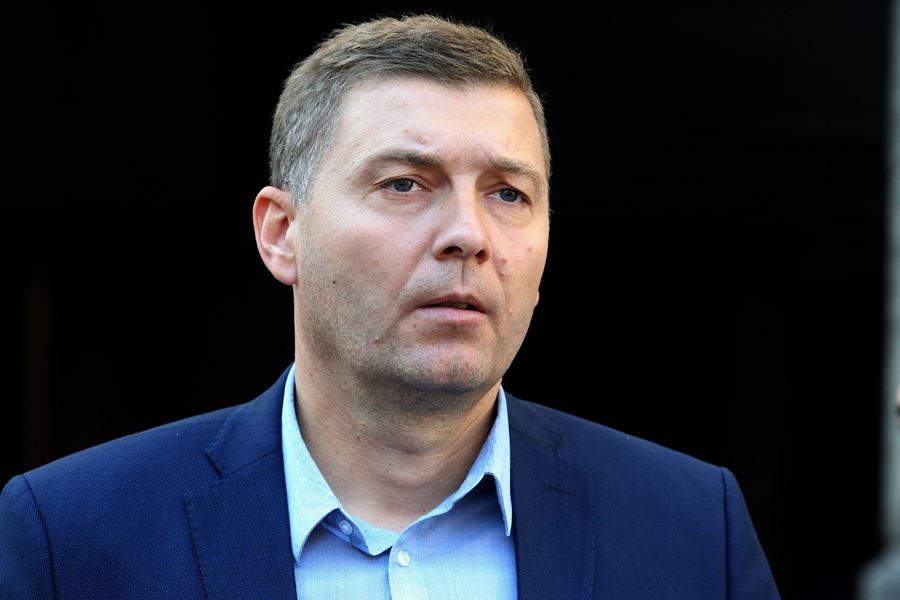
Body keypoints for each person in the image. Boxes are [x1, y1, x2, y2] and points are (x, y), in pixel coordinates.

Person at [0, 14, 780, 599]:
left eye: (509, 193)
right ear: (281, 234)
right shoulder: (74, 535)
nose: (469, 234)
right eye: (405, 183)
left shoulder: (689, 528)